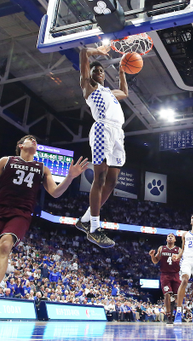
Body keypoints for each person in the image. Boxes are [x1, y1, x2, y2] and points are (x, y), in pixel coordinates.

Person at [0, 135, 88, 325]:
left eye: (35, 140)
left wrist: (70, 177)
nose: (34, 140)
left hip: (20, 214)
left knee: (5, 246)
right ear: (20, 145)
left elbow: (55, 192)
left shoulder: (42, 168)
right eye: (29, 138)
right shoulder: (6, 161)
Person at [75, 43, 129, 248]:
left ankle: (85, 220)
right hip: (102, 130)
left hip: (118, 133)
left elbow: (125, 92)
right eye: (95, 70)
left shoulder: (110, 92)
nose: (99, 72)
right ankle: (95, 228)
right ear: (89, 74)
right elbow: (83, 53)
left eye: (101, 70)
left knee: (113, 181)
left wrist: (123, 72)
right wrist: (97, 52)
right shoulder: (88, 86)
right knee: (100, 177)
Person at [149, 233, 181, 324]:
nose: (170, 237)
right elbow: (155, 261)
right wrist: (152, 256)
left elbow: (184, 261)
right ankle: (169, 316)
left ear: (175, 240)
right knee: (167, 294)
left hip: (176, 274)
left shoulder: (179, 250)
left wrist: (178, 259)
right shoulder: (161, 248)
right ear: (166, 239)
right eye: (168, 236)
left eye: (172, 236)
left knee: (176, 296)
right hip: (165, 275)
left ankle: (176, 313)